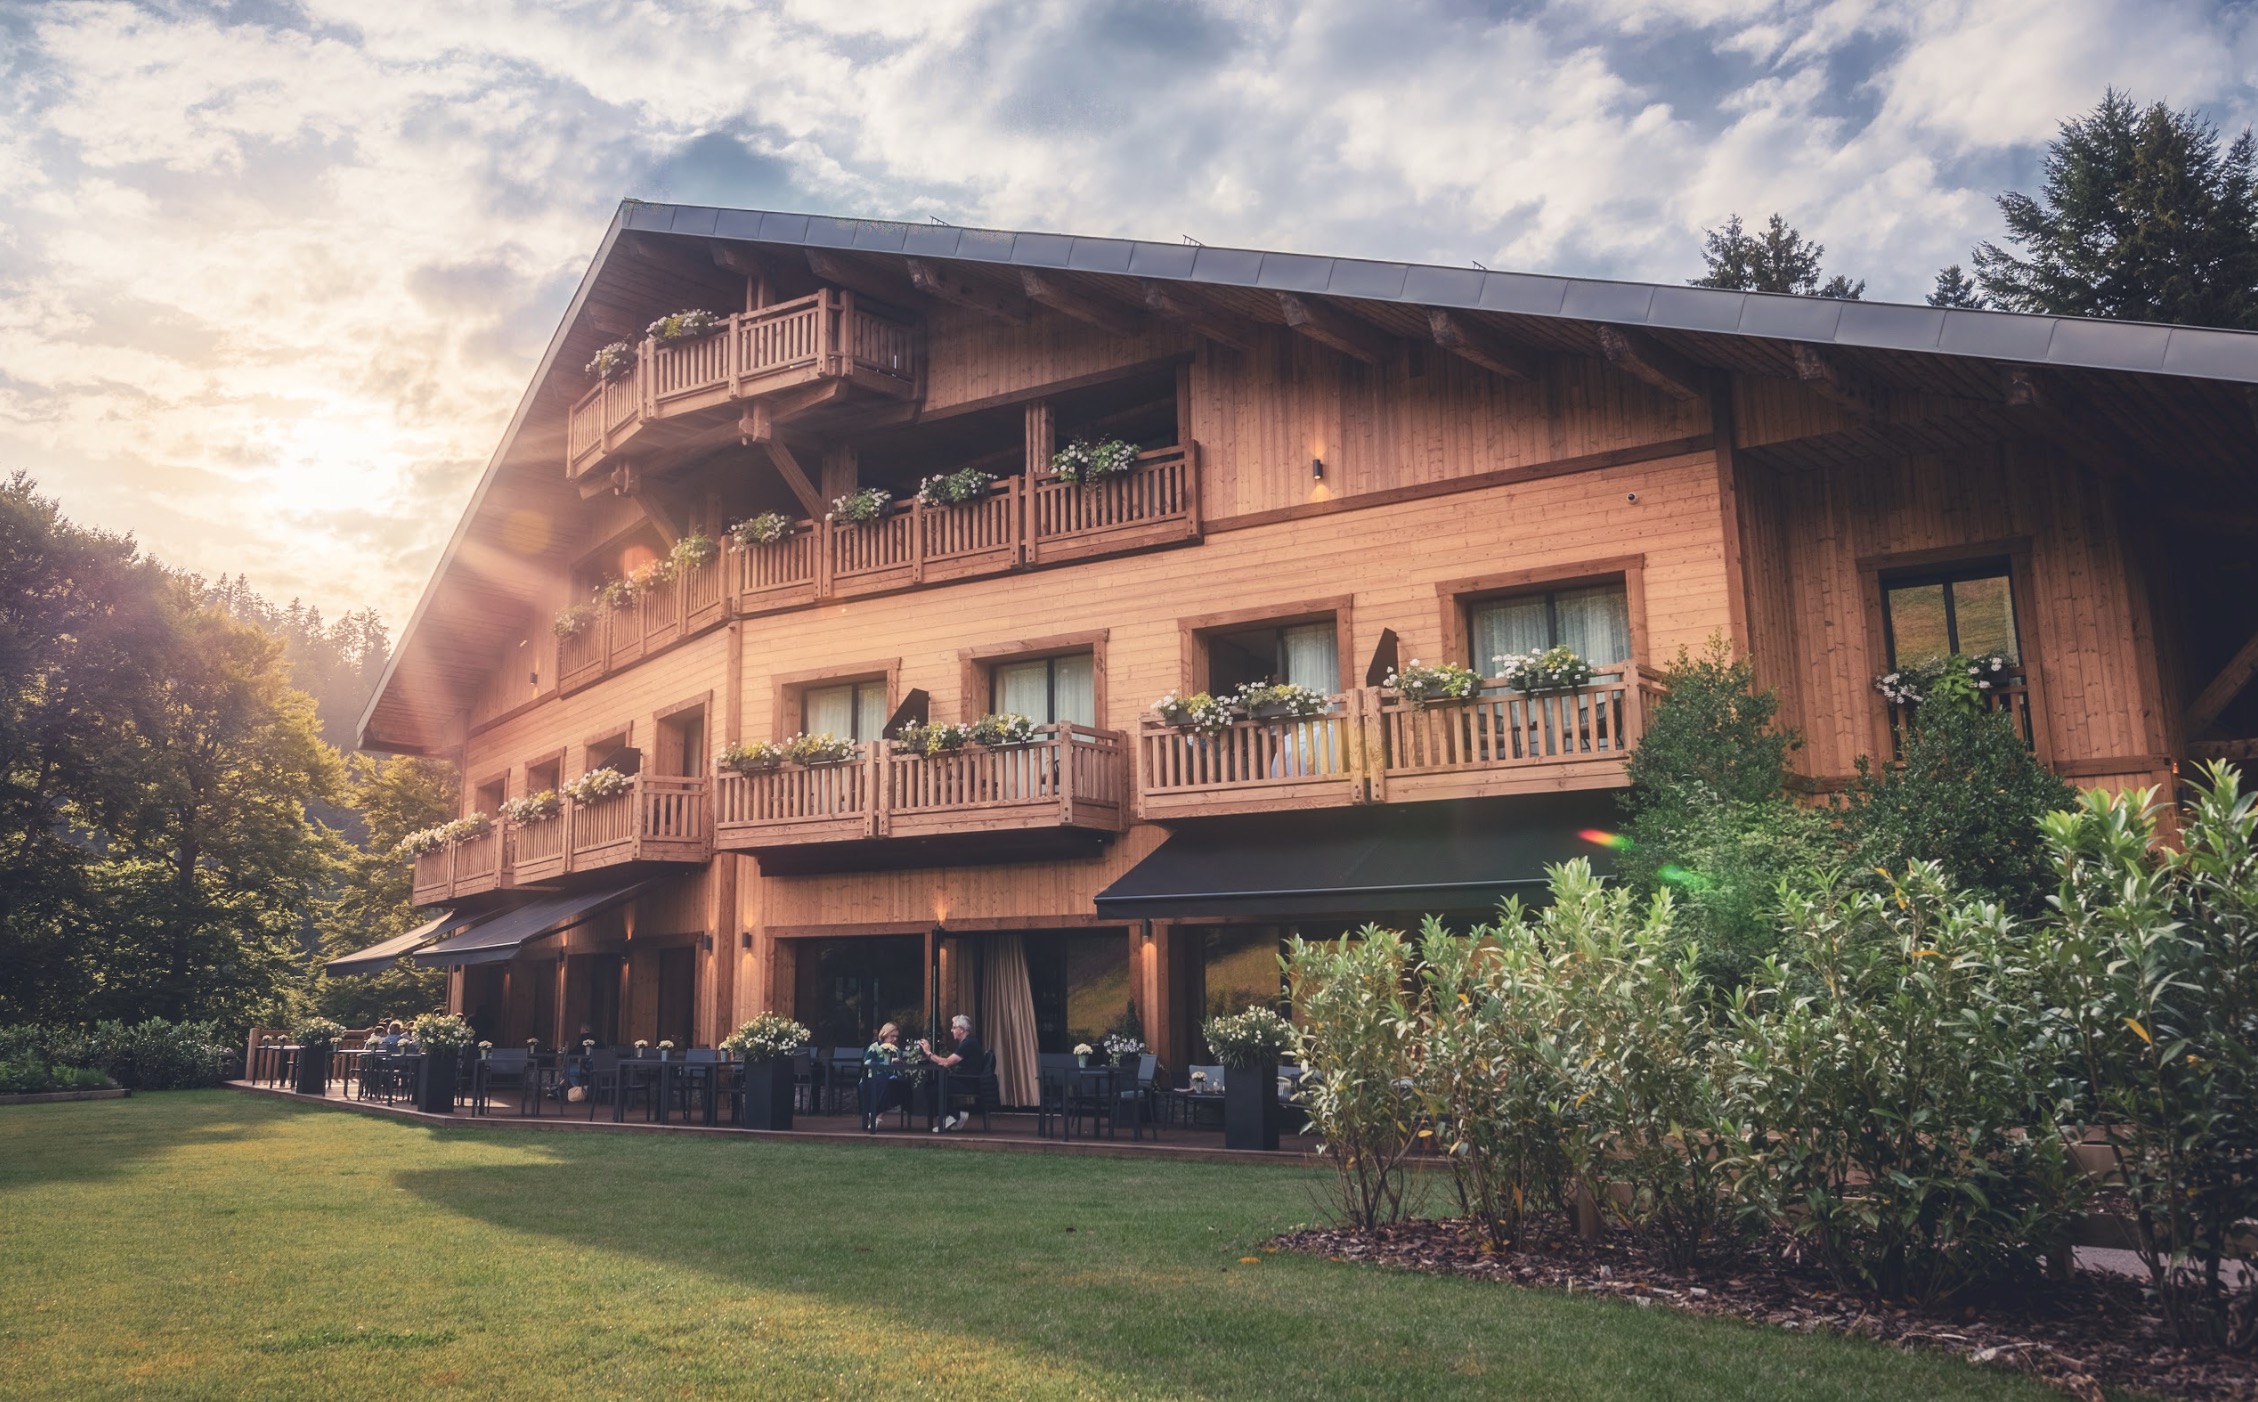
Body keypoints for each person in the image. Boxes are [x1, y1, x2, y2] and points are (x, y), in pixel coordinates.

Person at [918, 1015, 985, 1132]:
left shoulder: (968, 1044)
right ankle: (954, 1115)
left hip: (967, 1083)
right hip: (967, 1080)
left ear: (962, 1030)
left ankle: (954, 1115)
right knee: (934, 1085)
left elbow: (947, 1062)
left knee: (932, 1088)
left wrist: (928, 1053)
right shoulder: (968, 1042)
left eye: (954, 1027)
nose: (951, 1030)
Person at [860, 1022, 913, 1131]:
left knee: (903, 1084)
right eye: (892, 1036)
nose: (894, 1039)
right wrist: (887, 1063)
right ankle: (876, 1116)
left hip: (890, 1078)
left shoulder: (896, 1050)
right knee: (886, 1085)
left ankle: (876, 1116)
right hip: (872, 1077)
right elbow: (867, 1063)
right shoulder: (874, 1048)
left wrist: (900, 1064)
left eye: (896, 1037)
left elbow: (898, 1069)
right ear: (884, 1034)